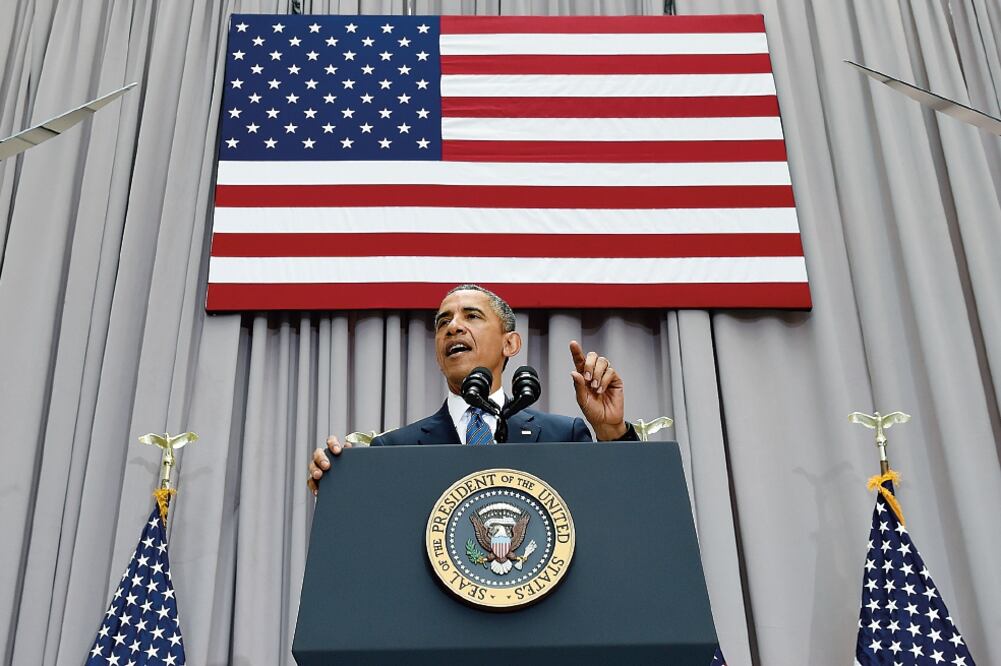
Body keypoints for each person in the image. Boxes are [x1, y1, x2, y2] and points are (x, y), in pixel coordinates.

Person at [308, 284, 637, 495]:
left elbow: (620, 513)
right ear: (438, 354)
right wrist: (339, 491)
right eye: (443, 322)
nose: (453, 327)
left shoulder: (563, 436)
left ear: (510, 343)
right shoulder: (393, 450)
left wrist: (612, 434)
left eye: (472, 316)